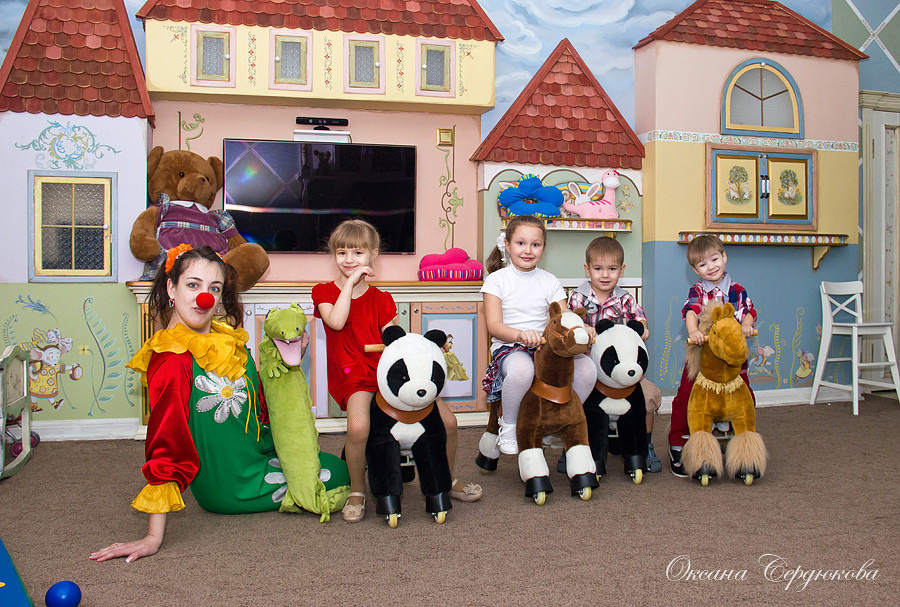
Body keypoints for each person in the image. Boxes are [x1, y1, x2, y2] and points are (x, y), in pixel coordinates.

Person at [91, 244, 294, 563]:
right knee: (336, 476)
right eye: (193, 285)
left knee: (330, 462)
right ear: (171, 288)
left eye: (214, 288)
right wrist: (153, 537)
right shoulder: (173, 361)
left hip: (255, 453)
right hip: (229, 484)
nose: (205, 297)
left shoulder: (223, 336)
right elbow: (166, 441)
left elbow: (256, 405)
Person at [312, 220, 482, 522]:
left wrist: (424, 352)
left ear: (372, 255)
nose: (349, 260)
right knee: (359, 429)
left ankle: (449, 479)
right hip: (353, 377)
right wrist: (350, 284)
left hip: (387, 376)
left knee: (449, 422)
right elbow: (336, 322)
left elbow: (395, 341)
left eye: (357, 253)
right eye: (341, 253)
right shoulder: (324, 292)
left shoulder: (382, 298)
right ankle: (357, 490)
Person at [481, 215, 596, 455]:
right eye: (521, 243)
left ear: (544, 247)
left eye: (536, 244)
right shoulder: (496, 280)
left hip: (546, 346)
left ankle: (560, 418)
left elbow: (564, 317)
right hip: (510, 346)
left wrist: (581, 328)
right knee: (523, 371)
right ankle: (509, 425)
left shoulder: (549, 281)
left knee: (587, 370)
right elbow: (494, 325)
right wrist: (521, 335)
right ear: (508, 245)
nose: (528, 250)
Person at [567, 236, 664, 472]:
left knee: (647, 395)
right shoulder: (578, 298)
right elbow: (570, 327)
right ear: (587, 269)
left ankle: (644, 445)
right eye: (598, 269)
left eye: (612, 269)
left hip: (622, 368)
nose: (605, 275)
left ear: (622, 270)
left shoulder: (625, 299)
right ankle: (575, 446)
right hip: (590, 367)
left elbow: (641, 322)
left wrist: (641, 329)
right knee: (578, 400)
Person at [668, 234, 756, 476]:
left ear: (724, 257)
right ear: (695, 269)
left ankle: (744, 445)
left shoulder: (737, 290)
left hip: (731, 354)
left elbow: (749, 311)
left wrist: (747, 325)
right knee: (687, 393)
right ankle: (678, 442)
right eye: (702, 264)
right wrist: (694, 331)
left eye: (715, 259)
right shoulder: (697, 290)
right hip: (704, 352)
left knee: (745, 395)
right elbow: (691, 312)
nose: (710, 267)